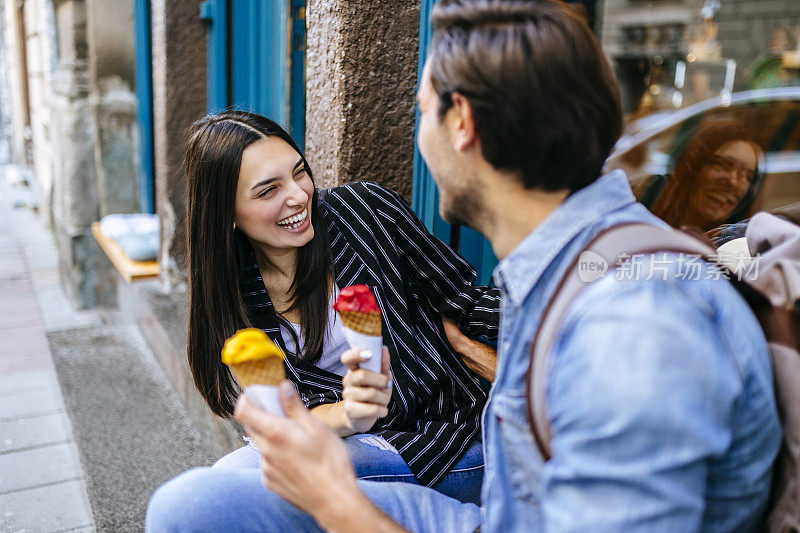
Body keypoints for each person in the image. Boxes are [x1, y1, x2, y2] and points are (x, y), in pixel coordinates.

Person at [147, 1, 780, 531]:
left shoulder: (633, 325)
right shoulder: (564, 266)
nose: (301, 194)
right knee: (192, 505)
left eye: (421, 108)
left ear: (462, 124)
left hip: (477, 485)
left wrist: (333, 501)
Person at [180, 110, 501, 502]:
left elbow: (467, 302)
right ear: (226, 215)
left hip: (446, 444)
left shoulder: (364, 212)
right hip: (341, 440)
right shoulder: (235, 293)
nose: (299, 195)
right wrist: (352, 412)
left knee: (228, 496)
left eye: (299, 172)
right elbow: (289, 414)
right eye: (268, 191)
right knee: (217, 491)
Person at [652, 120, 763, 232]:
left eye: (747, 176)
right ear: (691, 166)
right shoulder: (645, 222)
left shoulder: (737, 246)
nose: (733, 182)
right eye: (722, 164)